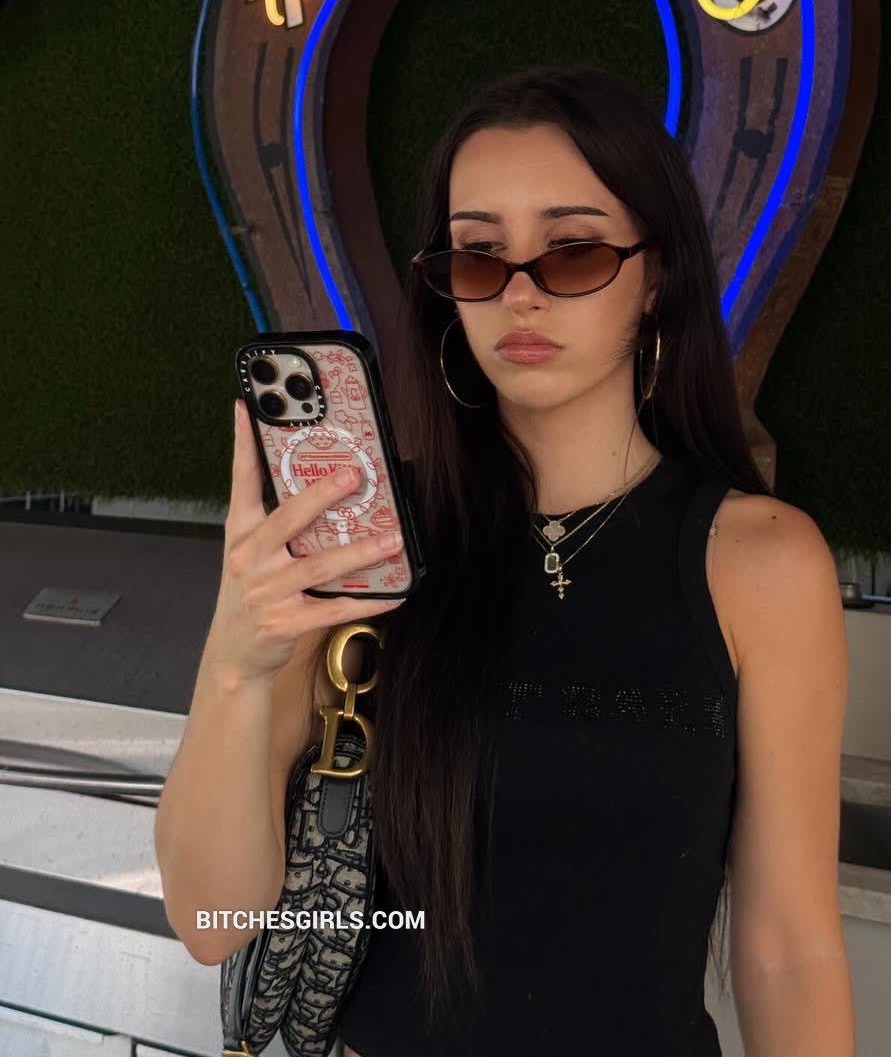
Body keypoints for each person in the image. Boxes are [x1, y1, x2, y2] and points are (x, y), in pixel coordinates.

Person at [155, 64, 854, 1056]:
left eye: (573, 252)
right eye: (480, 257)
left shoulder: (762, 562)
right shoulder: (364, 540)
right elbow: (209, 920)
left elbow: (789, 949)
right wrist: (235, 661)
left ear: (657, 278)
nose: (519, 295)